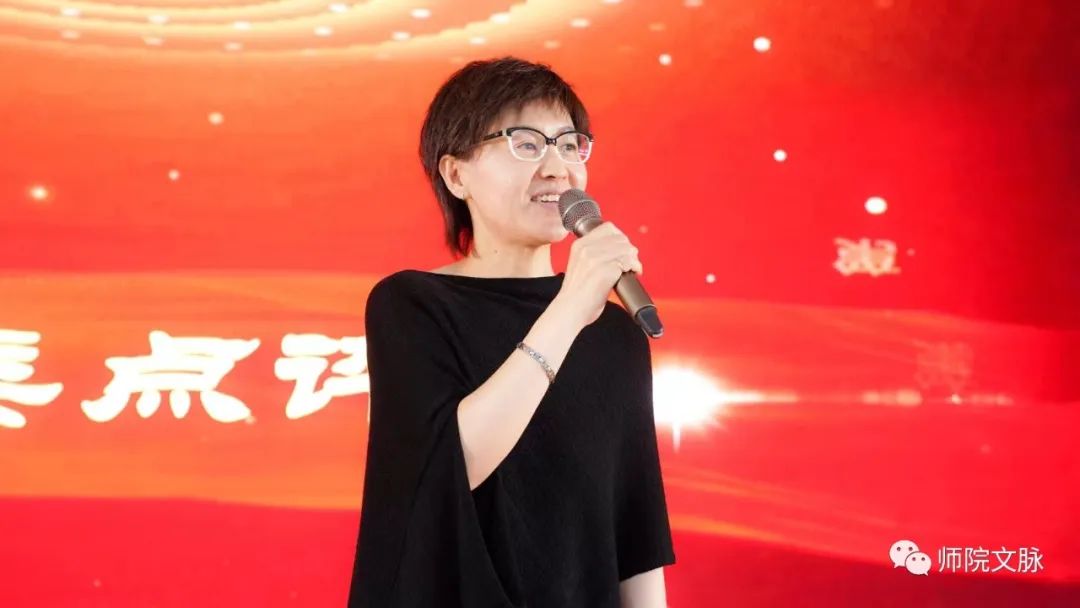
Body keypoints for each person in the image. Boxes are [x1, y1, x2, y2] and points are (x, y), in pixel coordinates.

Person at [347, 57, 675, 608]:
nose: (557, 168)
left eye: (570, 145)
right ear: (456, 175)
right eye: (526, 143)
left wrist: (580, 306)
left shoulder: (614, 334)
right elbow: (451, 470)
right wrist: (569, 308)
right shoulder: (412, 305)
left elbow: (635, 533)